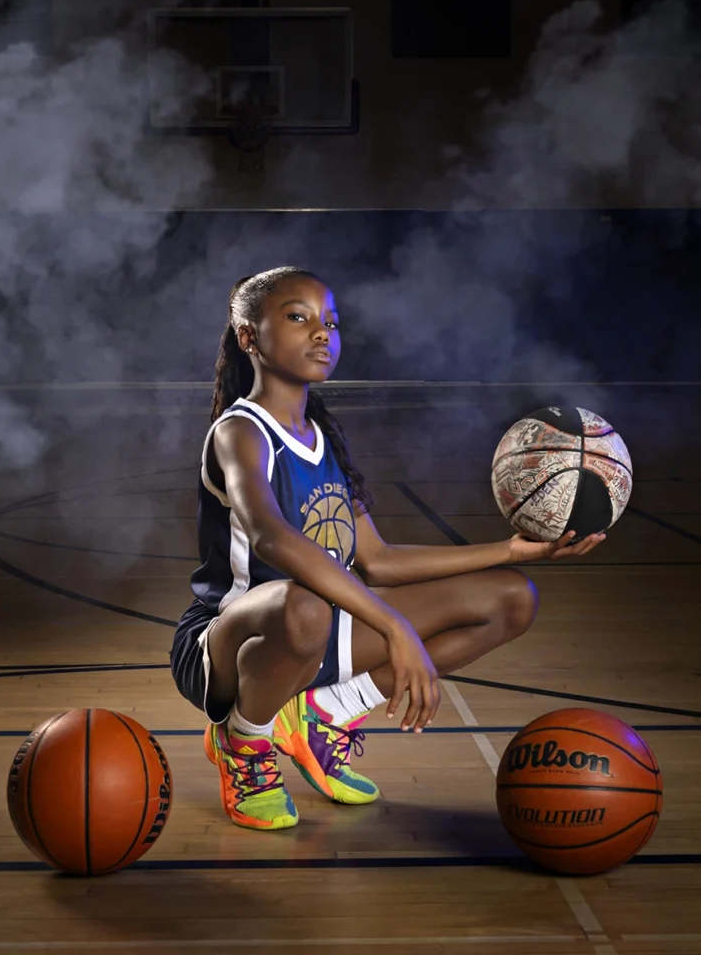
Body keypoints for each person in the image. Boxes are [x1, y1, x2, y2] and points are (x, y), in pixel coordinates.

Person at [169, 266, 605, 831]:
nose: (322, 333)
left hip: (320, 630)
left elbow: (378, 560)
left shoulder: (323, 436)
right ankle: (243, 741)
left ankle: (326, 714)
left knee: (512, 599)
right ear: (249, 336)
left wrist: (511, 551)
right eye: (298, 318)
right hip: (228, 642)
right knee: (302, 607)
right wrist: (396, 629)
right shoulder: (240, 432)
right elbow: (270, 536)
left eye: (331, 321)